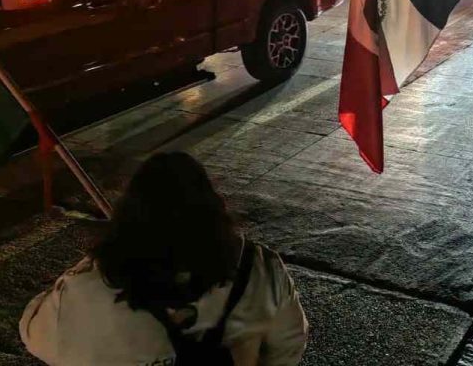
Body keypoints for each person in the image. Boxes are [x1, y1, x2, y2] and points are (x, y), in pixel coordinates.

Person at [20, 153, 308, 366]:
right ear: (214, 210)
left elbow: (33, 333)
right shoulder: (258, 269)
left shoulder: (85, 289)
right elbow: (288, 347)